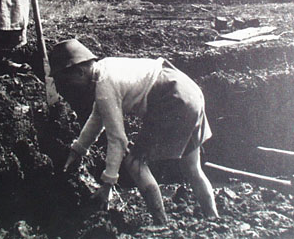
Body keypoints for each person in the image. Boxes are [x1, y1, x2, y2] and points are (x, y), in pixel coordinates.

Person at [50, 39, 219, 225]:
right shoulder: (105, 69)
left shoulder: (104, 86)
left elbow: (118, 140)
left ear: (80, 72)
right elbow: (97, 118)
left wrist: (107, 185)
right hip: (188, 92)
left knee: (134, 162)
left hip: (171, 100)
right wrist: (78, 150)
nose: (69, 87)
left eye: (68, 81)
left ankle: (161, 223)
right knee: (192, 167)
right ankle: (213, 219)